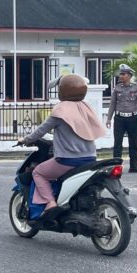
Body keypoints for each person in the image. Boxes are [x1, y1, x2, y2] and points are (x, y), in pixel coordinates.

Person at [18, 75, 106, 214]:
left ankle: (50, 202)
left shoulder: (60, 111)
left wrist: (25, 140)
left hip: (67, 160)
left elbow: (40, 131)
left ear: (63, 90)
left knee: (38, 172)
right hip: (90, 159)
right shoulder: (86, 107)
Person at [106, 64, 137, 173]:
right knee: (117, 143)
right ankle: (116, 167)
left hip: (133, 118)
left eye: (123, 74)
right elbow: (112, 104)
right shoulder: (117, 87)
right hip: (119, 118)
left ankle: (134, 166)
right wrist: (109, 118)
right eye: (120, 74)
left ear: (129, 75)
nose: (121, 76)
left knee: (133, 143)